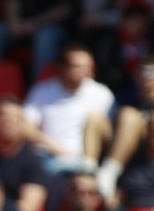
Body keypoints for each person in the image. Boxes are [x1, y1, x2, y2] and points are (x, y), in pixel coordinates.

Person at [22, 43, 114, 171]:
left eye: (87, 67)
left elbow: (110, 133)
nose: (84, 71)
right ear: (63, 67)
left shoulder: (102, 94)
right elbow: (25, 126)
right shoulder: (42, 91)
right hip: (46, 158)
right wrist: (54, 147)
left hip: (85, 162)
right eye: (77, 66)